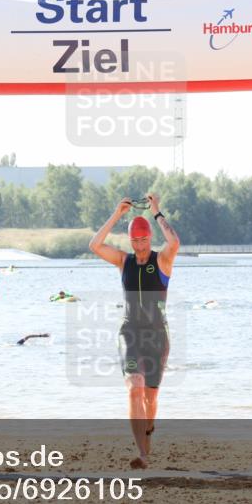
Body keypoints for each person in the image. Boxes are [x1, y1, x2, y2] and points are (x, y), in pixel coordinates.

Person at [89, 193, 180, 470]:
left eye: (143, 240)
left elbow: (174, 241)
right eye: (135, 241)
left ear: (149, 239)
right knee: (134, 388)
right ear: (130, 240)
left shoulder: (162, 260)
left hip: (157, 336)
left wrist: (157, 211)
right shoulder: (123, 262)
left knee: (150, 397)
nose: (139, 246)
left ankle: (149, 430)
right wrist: (117, 214)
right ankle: (142, 453)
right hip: (130, 333)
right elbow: (95, 245)